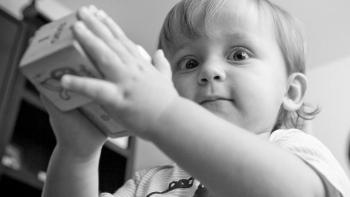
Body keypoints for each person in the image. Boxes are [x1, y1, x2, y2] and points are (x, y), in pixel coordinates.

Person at [41, 0, 350, 197]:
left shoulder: (295, 152)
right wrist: (76, 154)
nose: (210, 71)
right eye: (189, 63)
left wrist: (163, 113)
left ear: (291, 92)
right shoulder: (146, 185)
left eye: (239, 54)